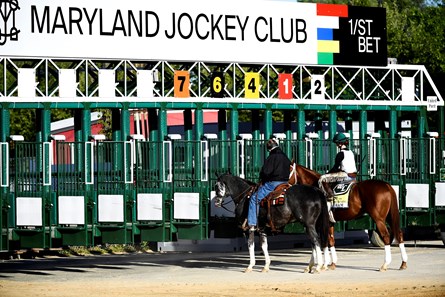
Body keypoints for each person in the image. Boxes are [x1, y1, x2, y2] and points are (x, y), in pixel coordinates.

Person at [246, 138, 291, 231]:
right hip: (285, 183)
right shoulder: (285, 156)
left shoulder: (271, 157)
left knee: (254, 198)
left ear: (269, 148)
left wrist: (262, 177)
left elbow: (266, 172)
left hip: (273, 183)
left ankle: (252, 224)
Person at [319, 132, 357, 223]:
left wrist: (327, 174)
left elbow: (335, 168)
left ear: (339, 143)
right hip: (354, 176)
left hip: (345, 175)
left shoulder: (340, 154)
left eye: (336, 143)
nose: (336, 145)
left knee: (322, 179)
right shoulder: (351, 152)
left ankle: (328, 203)